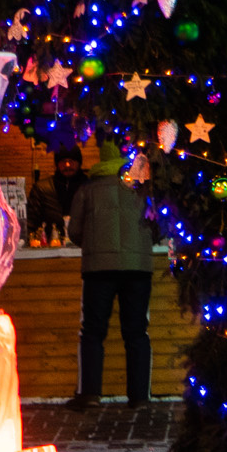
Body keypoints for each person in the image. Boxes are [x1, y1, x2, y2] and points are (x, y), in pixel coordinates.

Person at [70, 144, 157, 408]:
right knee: (137, 333)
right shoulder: (144, 188)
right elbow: (159, 228)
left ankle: (90, 394)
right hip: (138, 269)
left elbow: (74, 230)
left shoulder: (88, 189)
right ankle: (140, 397)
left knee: (93, 332)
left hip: (98, 269)